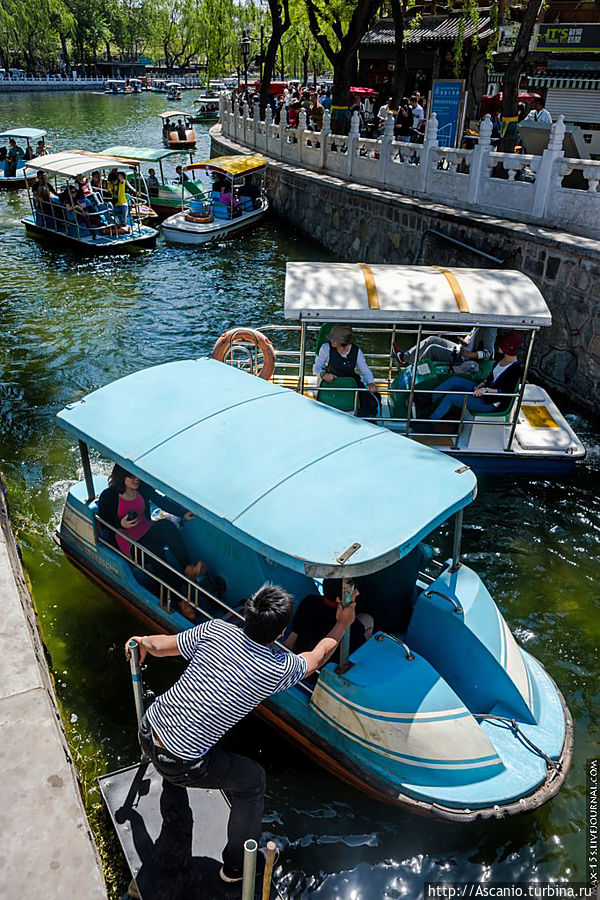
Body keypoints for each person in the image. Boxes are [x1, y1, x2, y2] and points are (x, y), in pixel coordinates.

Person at [127, 583, 356, 884]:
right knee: (252, 782)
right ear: (280, 633)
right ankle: (235, 866)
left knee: (193, 738)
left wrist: (140, 640)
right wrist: (342, 623)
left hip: (148, 726)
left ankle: (169, 783)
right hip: (181, 763)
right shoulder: (278, 668)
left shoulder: (215, 630)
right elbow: (318, 656)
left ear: (248, 612)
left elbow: (161, 646)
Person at [98, 464, 208, 600]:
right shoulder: (109, 496)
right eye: (131, 476)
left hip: (146, 528)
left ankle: (188, 568)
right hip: (127, 540)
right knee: (156, 554)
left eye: (137, 475)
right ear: (122, 477)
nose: (136, 479)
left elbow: (161, 502)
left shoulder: (142, 488)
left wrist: (183, 513)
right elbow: (103, 521)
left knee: (166, 526)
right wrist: (120, 524)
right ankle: (179, 599)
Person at [428, 331, 522, 421]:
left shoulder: (516, 369)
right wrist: (482, 384)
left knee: (451, 397)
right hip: (483, 390)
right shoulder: (501, 359)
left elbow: (505, 392)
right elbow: (491, 377)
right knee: (454, 380)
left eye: (502, 344)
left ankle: (429, 421)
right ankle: (428, 400)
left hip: (490, 402)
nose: (498, 345)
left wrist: (485, 390)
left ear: (508, 347)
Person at [285, 579, 373, 660]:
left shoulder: (309, 600)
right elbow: (360, 650)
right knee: (368, 620)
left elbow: (295, 631)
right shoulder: (353, 626)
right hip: (324, 667)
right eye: (352, 589)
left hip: (300, 655)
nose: (357, 592)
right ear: (339, 599)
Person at [313, 323, 379, 417]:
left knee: (372, 401)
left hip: (351, 383)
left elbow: (365, 370)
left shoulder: (356, 351)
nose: (331, 340)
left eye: (335, 339)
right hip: (332, 382)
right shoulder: (325, 348)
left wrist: (371, 382)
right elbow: (316, 368)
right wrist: (323, 375)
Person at [398, 325, 497, 370]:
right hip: (460, 349)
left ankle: (414, 373)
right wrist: (465, 341)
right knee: (432, 339)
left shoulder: (489, 329)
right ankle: (404, 357)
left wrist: (467, 354)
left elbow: (487, 353)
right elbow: (471, 337)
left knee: (432, 349)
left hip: (463, 358)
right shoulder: (480, 322)